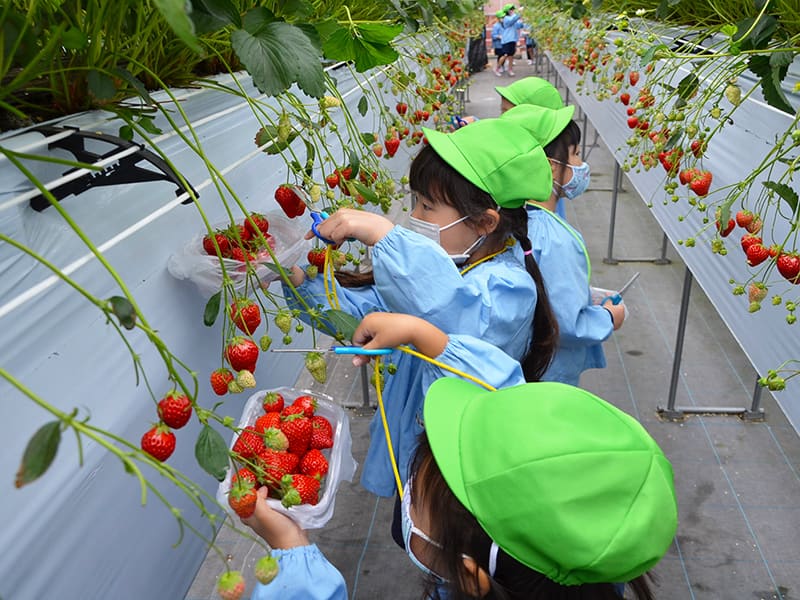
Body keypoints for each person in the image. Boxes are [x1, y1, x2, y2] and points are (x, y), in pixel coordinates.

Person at [242, 314, 679, 599]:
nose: (406, 493)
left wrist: (291, 557)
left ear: (471, 577)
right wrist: (430, 340)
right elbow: (510, 406)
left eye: (414, 492)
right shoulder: (588, 556)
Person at [280, 118, 559, 506]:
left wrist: (386, 236)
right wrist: (295, 279)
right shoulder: (448, 264)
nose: (415, 216)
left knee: (444, 537)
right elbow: (366, 314)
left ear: (484, 222)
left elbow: (451, 315)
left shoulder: (507, 288)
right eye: (415, 202)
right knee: (413, 523)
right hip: (415, 438)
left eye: (428, 206)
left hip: (458, 461)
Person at [502, 103, 625, 386]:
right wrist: (608, 316)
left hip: (515, 370)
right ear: (551, 165)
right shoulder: (555, 238)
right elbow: (567, 324)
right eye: (577, 154)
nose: (582, 165)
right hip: (548, 373)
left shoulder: (506, 220)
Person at [494, 4, 524, 77]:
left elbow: (519, 26)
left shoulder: (512, 18)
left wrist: (522, 20)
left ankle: (510, 70)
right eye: (511, 9)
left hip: (512, 40)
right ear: (507, 11)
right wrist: (519, 13)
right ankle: (497, 68)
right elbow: (513, 20)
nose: (512, 11)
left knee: (511, 56)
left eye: (513, 9)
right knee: (505, 54)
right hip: (507, 40)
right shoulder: (506, 18)